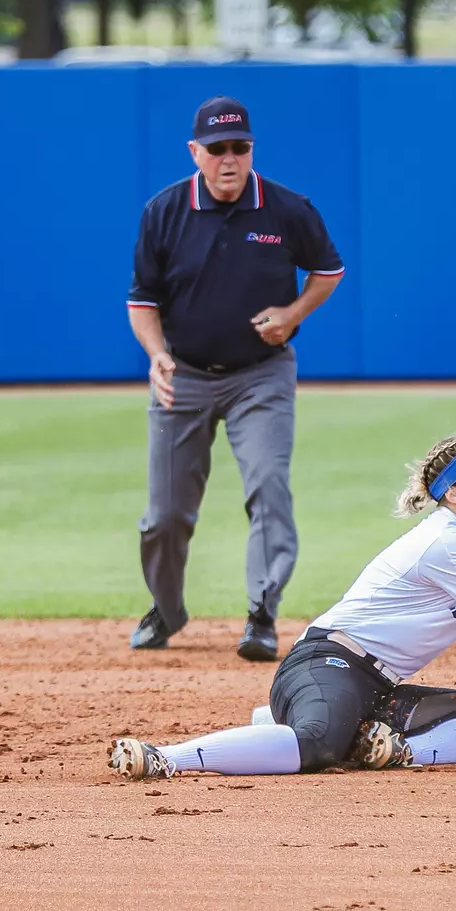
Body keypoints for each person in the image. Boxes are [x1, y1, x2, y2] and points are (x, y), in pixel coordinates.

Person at [108, 434, 456, 779]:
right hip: (326, 664)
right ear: (454, 493)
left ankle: (394, 748)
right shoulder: (445, 543)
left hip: (377, 687)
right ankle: (170, 758)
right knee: (320, 747)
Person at [126, 95, 345, 661]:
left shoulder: (287, 208)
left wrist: (292, 314)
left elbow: (328, 269)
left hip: (261, 375)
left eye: (239, 147)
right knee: (165, 515)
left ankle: (262, 613)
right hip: (184, 376)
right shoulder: (164, 211)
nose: (229, 158)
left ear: (252, 150)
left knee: (269, 488)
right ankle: (165, 609)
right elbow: (143, 300)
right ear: (195, 152)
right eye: (217, 148)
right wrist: (156, 354)